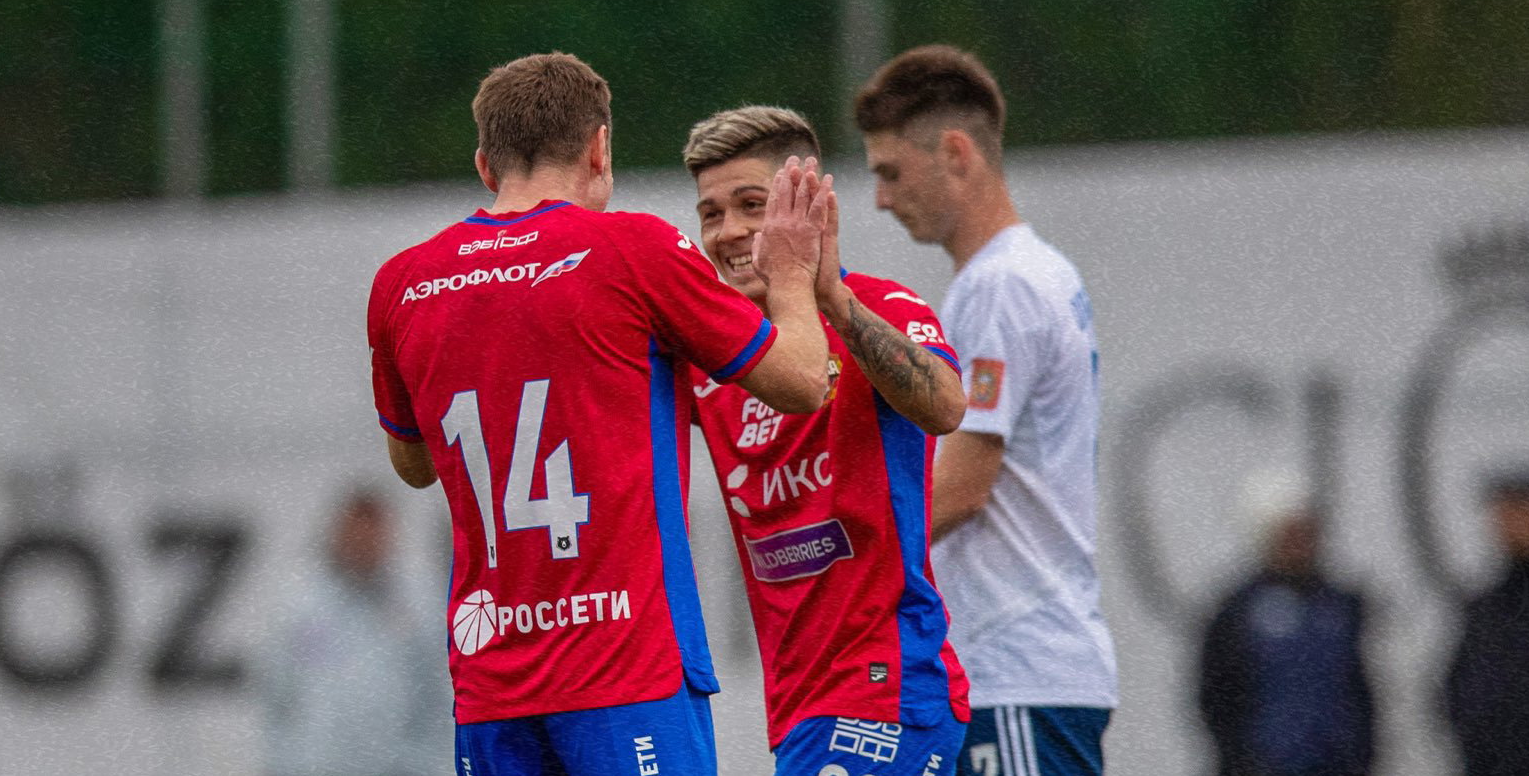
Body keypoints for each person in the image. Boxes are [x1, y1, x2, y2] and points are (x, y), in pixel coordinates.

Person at [366, 52, 833, 776]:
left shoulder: (403, 283)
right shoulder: (631, 249)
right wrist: (796, 273)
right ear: (599, 148)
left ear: (486, 165)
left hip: (492, 685)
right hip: (628, 670)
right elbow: (804, 380)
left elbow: (414, 463)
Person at [681, 105, 971, 775]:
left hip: (885, 689)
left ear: (808, 203)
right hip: (801, 708)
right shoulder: (707, 359)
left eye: (753, 204)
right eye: (710, 213)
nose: (729, 232)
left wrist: (831, 296)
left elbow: (948, 406)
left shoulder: (878, 306)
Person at [854, 45, 1118, 776]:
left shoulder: (998, 286)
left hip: (1015, 662)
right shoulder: (1038, 270)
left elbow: (963, 485)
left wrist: (835, 557)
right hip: (1031, 662)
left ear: (957, 152)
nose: (879, 196)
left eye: (890, 171)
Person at [260, 489, 450, 776]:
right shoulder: (302, 605)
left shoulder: (417, 602)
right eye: (355, 530)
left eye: (373, 531)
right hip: (319, 767)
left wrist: (430, 763)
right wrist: (286, 761)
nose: (363, 541)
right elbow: (277, 695)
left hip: (400, 767)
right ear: (337, 532)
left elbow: (437, 694)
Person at [1197, 473, 1376, 776]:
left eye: (1307, 533)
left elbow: (1359, 688)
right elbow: (1216, 695)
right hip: (1267, 762)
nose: (1300, 544)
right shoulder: (1237, 611)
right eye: (1290, 534)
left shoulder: (1342, 605)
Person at [1444, 473, 1529, 776]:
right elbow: (1461, 686)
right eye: (1501, 517)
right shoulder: (1488, 605)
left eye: (1519, 514)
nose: (1509, 527)